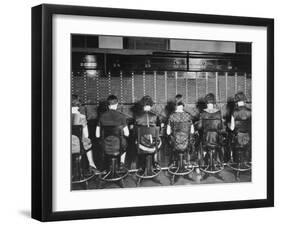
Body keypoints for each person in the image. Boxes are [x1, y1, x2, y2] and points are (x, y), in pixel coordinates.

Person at [95, 95, 129, 165]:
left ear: (108, 105)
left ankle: (107, 165)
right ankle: (121, 163)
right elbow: (127, 134)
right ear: (117, 104)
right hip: (119, 146)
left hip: (105, 146)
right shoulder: (122, 116)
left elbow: (97, 135)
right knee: (125, 143)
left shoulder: (101, 117)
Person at [71, 95, 99, 172]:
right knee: (87, 142)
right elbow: (86, 135)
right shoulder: (81, 117)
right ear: (78, 104)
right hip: (78, 147)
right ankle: (92, 165)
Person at [134, 95, 162, 167]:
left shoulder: (137, 116)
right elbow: (159, 130)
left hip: (142, 145)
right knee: (159, 140)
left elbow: (135, 131)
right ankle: (155, 162)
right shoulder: (155, 116)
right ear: (151, 105)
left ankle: (140, 164)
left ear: (142, 105)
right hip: (153, 144)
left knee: (136, 139)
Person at [197, 93, 224, 166]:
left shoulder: (203, 113)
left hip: (206, 138)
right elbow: (221, 126)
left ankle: (204, 161)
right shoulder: (219, 112)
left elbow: (199, 127)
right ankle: (216, 160)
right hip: (216, 139)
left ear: (206, 102)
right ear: (214, 102)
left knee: (199, 141)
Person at [166, 98, 194, 166]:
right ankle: (187, 161)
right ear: (183, 106)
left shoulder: (171, 116)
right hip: (186, 142)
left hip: (175, 143)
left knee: (168, 139)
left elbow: (168, 132)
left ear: (175, 107)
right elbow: (192, 131)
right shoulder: (188, 116)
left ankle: (172, 161)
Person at [229, 92, 251, 164]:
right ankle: (247, 162)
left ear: (236, 101)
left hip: (238, 137)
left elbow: (232, 128)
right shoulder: (250, 111)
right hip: (248, 136)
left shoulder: (234, 112)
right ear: (244, 99)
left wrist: (228, 125)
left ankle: (237, 162)